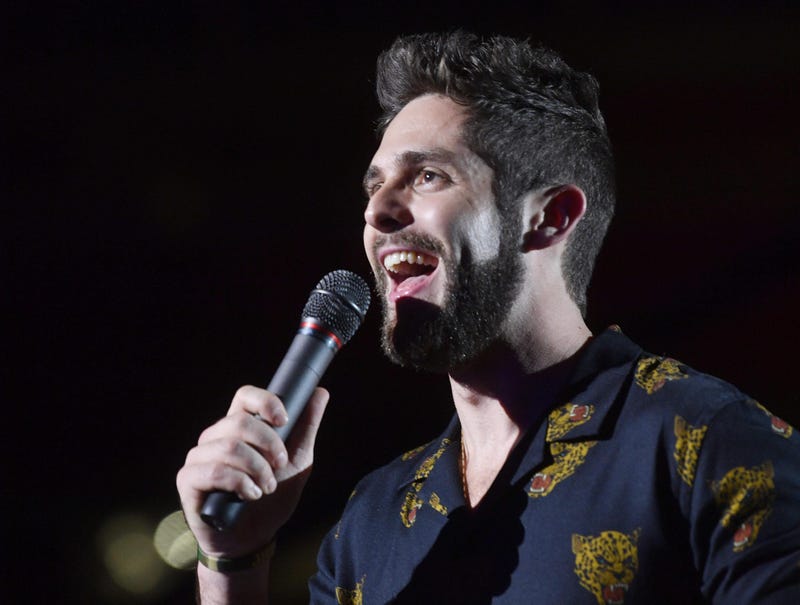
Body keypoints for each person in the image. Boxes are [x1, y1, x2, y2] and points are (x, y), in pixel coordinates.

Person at [176, 31, 800, 604]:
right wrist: (232, 563)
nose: (377, 211)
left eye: (426, 175)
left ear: (549, 217)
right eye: (374, 187)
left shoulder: (706, 442)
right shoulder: (371, 522)